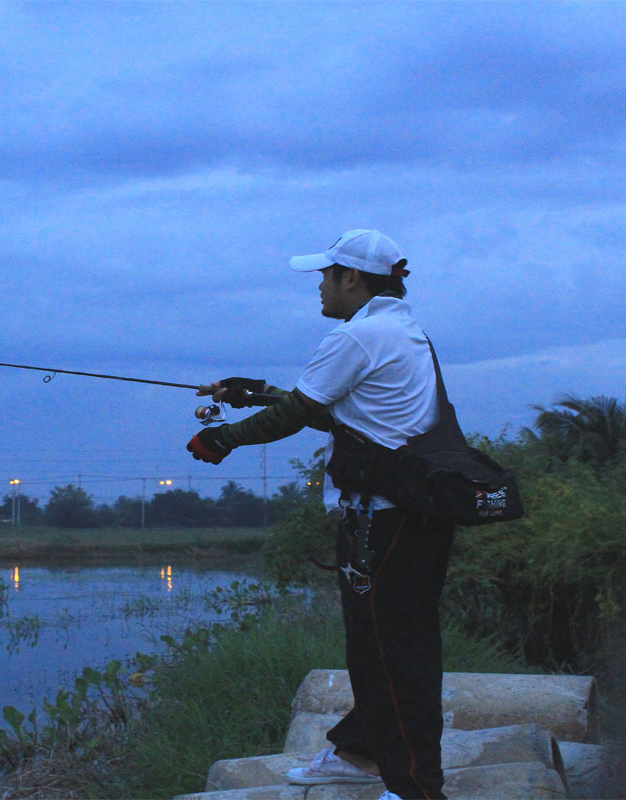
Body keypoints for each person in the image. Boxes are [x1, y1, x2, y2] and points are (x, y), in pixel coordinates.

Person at [186, 230, 455, 800]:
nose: (319, 287)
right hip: (409, 517)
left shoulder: (356, 337)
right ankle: (359, 754)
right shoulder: (403, 330)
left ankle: (415, 789)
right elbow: (342, 418)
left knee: (394, 651)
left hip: (383, 520)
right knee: (383, 644)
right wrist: (256, 392)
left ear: (351, 278)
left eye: (324, 276)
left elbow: (298, 414)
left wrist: (222, 439)